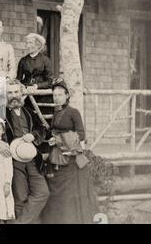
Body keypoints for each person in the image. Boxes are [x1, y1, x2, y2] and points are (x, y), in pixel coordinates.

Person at [0, 79, 49, 224]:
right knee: (20, 197)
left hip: (32, 158)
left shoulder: (29, 112)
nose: (14, 95)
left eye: (16, 92)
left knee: (42, 192)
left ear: (21, 93)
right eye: (10, 93)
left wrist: (34, 135)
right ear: (5, 95)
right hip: (11, 160)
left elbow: (42, 129)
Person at [41, 78, 98, 224]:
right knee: (58, 193)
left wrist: (59, 139)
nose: (57, 97)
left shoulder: (73, 112)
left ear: (67, 96)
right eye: (54, 95)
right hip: (58, 157)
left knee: (69, 194)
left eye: (60, 94)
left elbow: (81, 134)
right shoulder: (56, 113)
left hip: (71, 158)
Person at [16, 33, 55, 120]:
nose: (28, 46)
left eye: (30, 43)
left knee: (43, 121)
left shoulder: (46, 60)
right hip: (27, 96)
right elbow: (18, 79)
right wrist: (23, 86)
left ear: (38, 45)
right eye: (27, 43)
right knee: (28, 119)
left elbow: (50, 81)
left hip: (43, 97)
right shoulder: (23, 61)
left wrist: (36, 86)